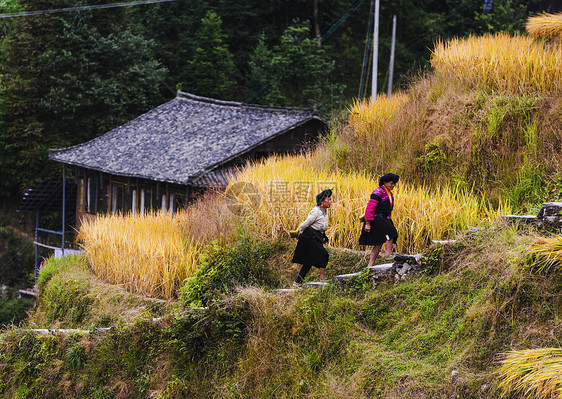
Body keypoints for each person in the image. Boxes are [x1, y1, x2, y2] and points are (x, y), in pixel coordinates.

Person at [292, 189, 332, 286]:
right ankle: (322, 278)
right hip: (310, 236)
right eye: (329, 200)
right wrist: (299, 232)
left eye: (331, 199)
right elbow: (306, 223)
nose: (330, 202)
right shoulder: (315, 211)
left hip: (317, 236)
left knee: (309, 261)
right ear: (322, 202)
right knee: (324, 255)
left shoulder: (325, 211)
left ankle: (297, 282)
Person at [359, 173, 399, 267]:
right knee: (391, 232)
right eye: (391, 183)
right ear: (385, 182)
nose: (393, 185)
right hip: (377, 218)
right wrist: (367, 223)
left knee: (379, 243)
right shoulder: (378, 192)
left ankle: (371, 264)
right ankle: (388, 253)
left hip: (385, 218)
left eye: (394, 184)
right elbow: (370, 207)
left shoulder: (389, 193)